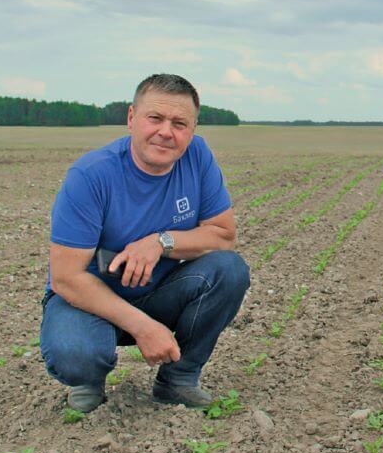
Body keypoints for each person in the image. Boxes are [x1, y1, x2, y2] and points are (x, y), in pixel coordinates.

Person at [40, 73, 249, 413]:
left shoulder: (197, 158)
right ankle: (88, 378)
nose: (166, 132)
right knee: (75, 353)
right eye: (155, 118)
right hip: (88, 298)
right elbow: (66, 277)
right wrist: (143, 327)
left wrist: (160, 242)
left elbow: (223, 235)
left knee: (229, 270)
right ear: (131, 118)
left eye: (180, 123)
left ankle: (178, 380)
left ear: (193, 130)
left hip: (159, 291)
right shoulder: (91, 176)